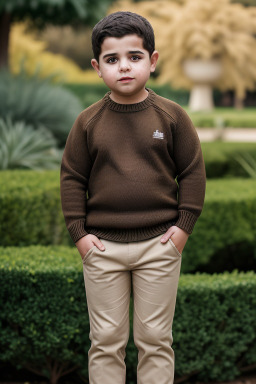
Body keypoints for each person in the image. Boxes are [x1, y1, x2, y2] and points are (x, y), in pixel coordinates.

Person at [60, 11, 206, 384]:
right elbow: (72, 178)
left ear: (152, 61)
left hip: (160, 245)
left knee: (155, 339)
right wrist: (80, 236)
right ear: (97, 67)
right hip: (102, 249)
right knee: (106, 340)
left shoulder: (172, 116)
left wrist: (181, 232)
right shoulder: (88, 122)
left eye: (134, 57)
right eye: (112, 60)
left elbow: (192, 172)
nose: (123, 67)